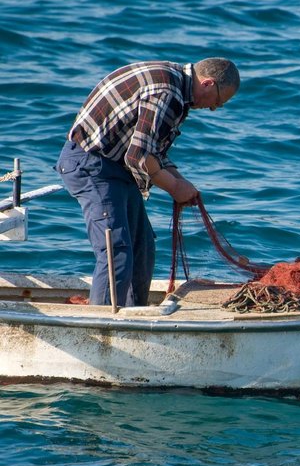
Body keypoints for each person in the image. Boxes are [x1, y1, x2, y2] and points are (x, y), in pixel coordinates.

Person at [55, 58, 239, 307]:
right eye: (217, 101)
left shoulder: (177, 87)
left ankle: (132, 313)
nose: (214, 109)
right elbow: (138, 156)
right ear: (208, 83)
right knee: (116, 252)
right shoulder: (167, 92)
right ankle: (102, 325)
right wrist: (174, 187)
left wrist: (182, 181)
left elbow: (154, 150)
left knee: (142, 250)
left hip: (117, 167)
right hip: (92, 165)